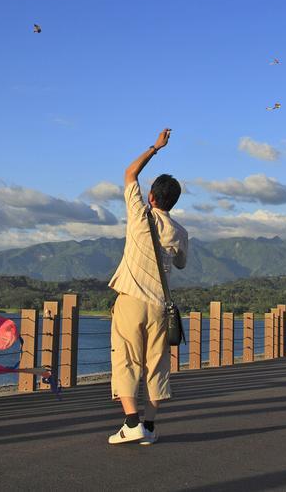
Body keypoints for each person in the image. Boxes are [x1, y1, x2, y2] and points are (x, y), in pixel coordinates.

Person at [107, 128, 188, 445]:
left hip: (131, 299)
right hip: (159, 305)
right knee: (156, 363)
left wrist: (156, 147)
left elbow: (130, 173)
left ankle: (131, 422)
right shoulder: (179, 231)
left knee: (126, 359)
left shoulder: (140, 215)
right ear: (174, 203)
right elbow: (180, 263)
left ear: (152, 197)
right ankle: (150, 428)